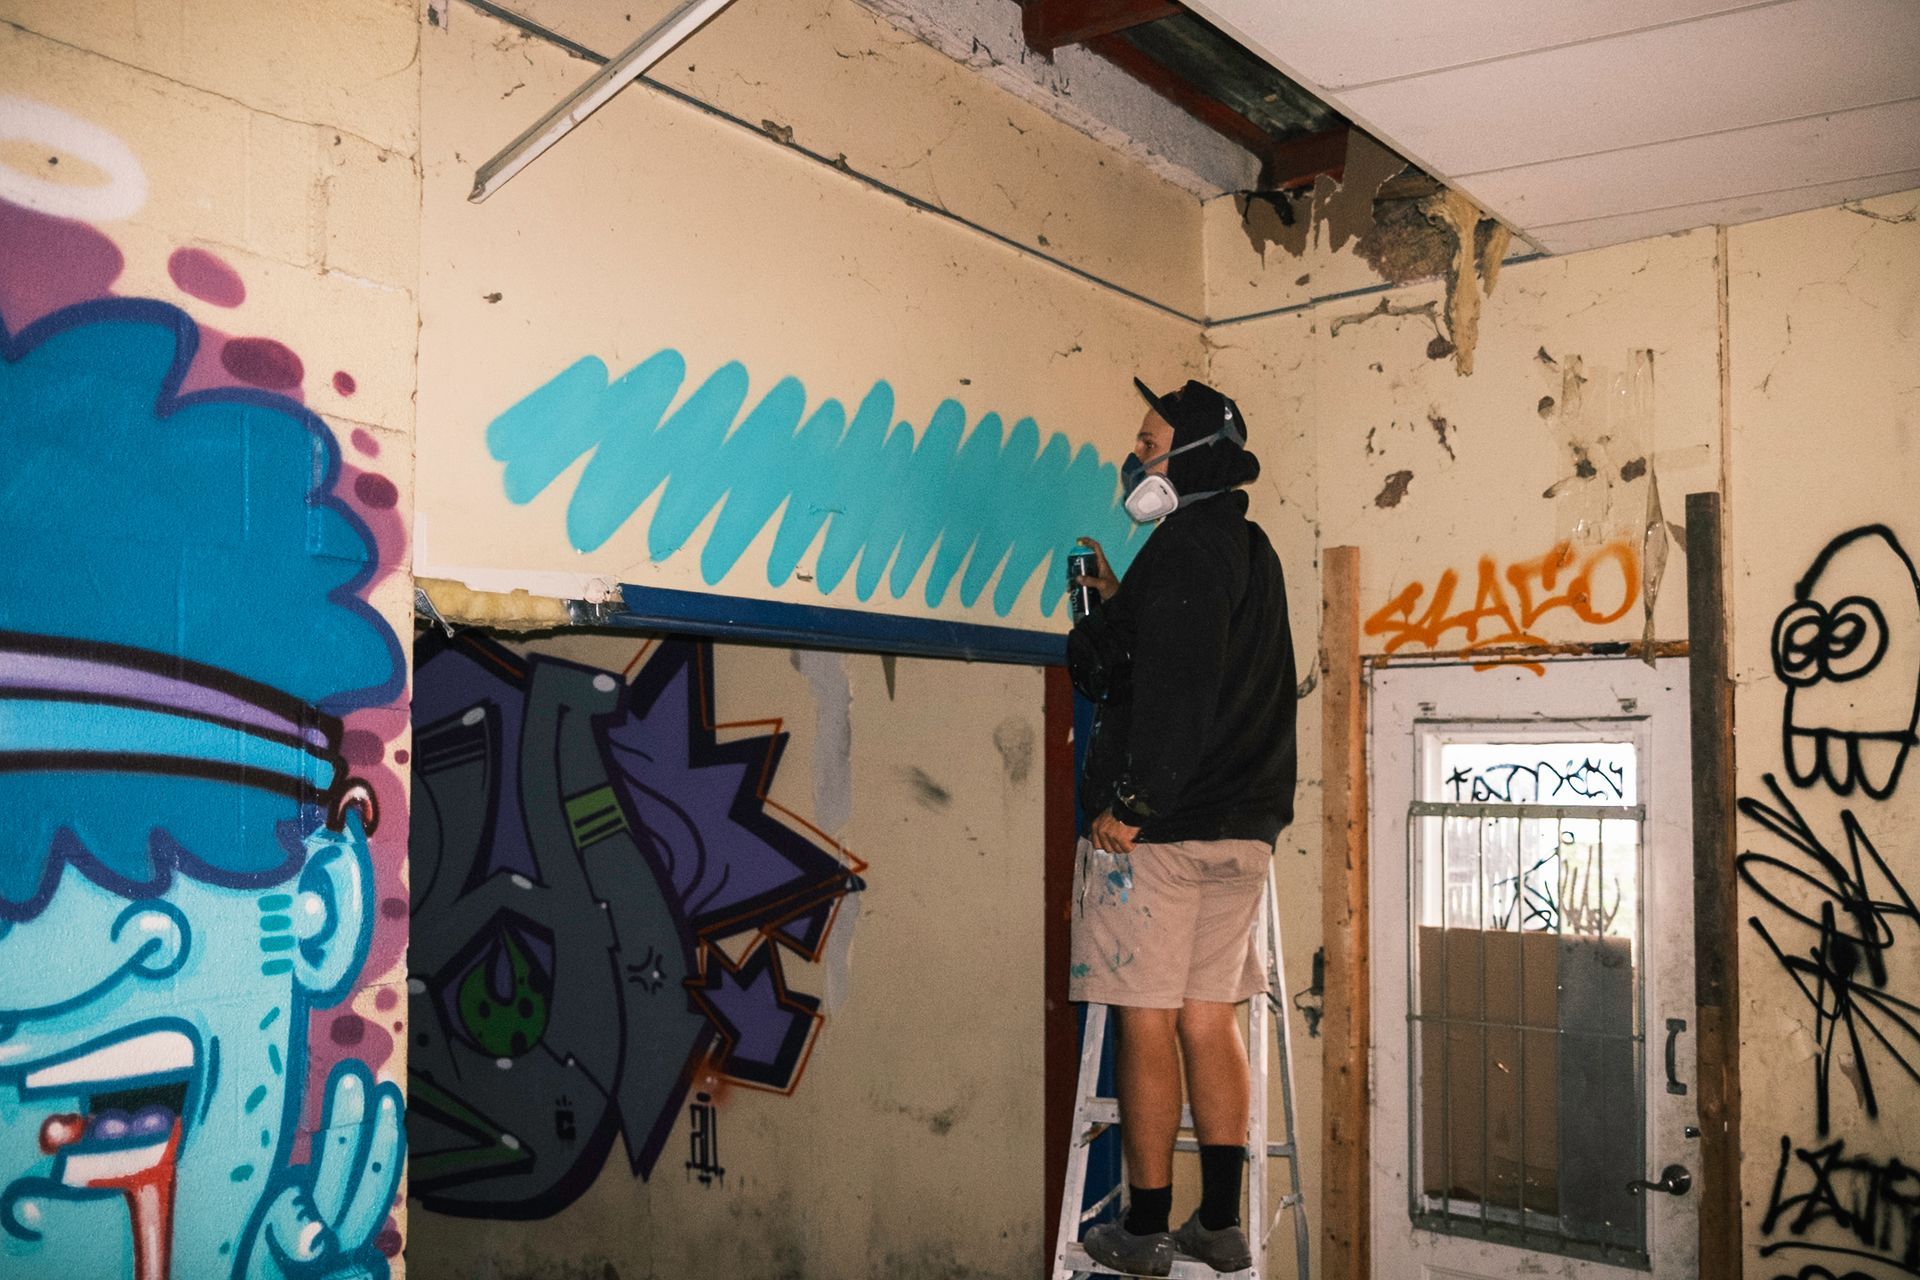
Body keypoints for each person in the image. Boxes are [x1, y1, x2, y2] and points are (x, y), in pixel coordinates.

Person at [1066, 376, 1296, 1277]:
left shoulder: (1185, 546)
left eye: (1150, 442)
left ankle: (1146, 1228)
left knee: (1146, 1021)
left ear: (1193, 455)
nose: (1137, 453)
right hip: (1243, 833)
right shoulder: (1250, 548)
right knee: (1210, 1018)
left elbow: (1178, 691)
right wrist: (1126, 604)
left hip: (1165, 836)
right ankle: (1220, 1223)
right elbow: (1214, 667)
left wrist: (1134, 805)